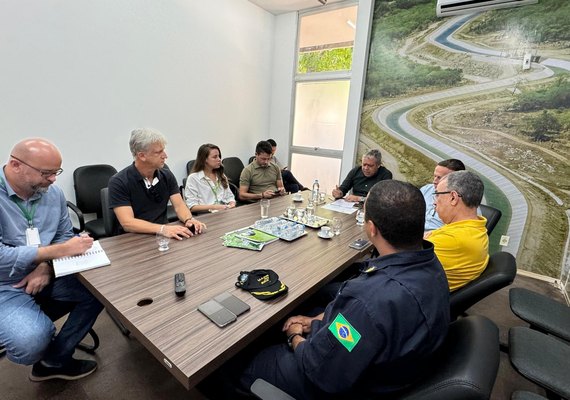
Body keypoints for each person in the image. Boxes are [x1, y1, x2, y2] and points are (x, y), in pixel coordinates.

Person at [232, 180, 450, 399]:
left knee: (245, 362)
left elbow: (320, 369)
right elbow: (352, 328)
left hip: (346, 384)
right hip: (395, 367)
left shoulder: (369, 300)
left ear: (371, 228)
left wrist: (294, 337)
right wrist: (316, 321)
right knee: (312, 311)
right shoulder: (431, 265)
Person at [0, 138, 103, 381]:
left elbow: (63, 236)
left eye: (57, 172)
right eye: (46, 173)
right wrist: (54, 253)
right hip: (5, 285)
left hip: (45, 272)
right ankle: (38, 333)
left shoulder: (52, 193)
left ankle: (54, 360)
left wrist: (46, 266)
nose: (54, 179)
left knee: (101, 290)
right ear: (15, 165)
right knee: (30, 342)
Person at [108, 128, 205, 239]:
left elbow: (179, 206)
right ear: (142, 156)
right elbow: (127, 223)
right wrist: (162, 229)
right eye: (158, 152)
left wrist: (189, 219)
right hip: (132, 238)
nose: (165, 155)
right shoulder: (119, 181)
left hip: (162, 234)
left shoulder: (166, 175)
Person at [425, 170, 489, 291]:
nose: (434, 201)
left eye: (437, 194)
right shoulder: (477, 227)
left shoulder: (452, 239)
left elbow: (399, 262)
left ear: (453, 198)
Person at [184, 144, 236, 213]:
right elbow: (192, 206)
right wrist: (213, 207)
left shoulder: (221, 175)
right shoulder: (193, 178)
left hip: (225, 212)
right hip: (206, 215)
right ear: (204, 159)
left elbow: (229, 197)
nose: (219, 160)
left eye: (219, 156)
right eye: (215, 157)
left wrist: (232, 203)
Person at [421, 159, 466, 231]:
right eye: (434, 176)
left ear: (456, 180)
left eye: (439, 178)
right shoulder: (427, 189)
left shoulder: (465, 204)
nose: (434, 181)